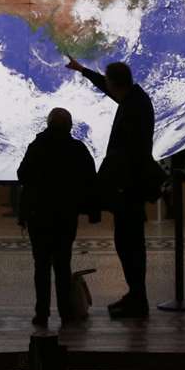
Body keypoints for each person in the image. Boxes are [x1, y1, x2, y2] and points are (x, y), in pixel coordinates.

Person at [66, 57, 161, 317]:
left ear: (116, 84)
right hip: (129, 188)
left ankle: (138, 299)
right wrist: (83, 70)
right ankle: (136, 295)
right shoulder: (134, 98)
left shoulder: (134, 108)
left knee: (130, 245)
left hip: (129, 188)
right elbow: (110, 88)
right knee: (128, 243)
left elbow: (126, 156)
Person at [16, 108, 98, 328]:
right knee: (63, 265)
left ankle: (41, 313)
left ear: (48, 124)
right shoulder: (77, 149)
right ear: (69, 127)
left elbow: (22, 174)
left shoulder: (37, 147)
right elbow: (90, 179)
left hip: (38, 216)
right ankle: (66, 312)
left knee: (41, 266)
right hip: (65, 216)